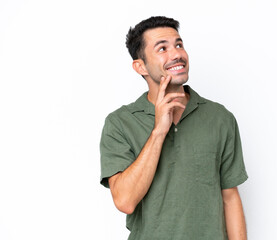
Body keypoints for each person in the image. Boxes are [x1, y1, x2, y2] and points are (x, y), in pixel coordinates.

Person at [100, 16, 248, 240]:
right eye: (162, 48)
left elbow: (230, 197)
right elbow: (125, 201)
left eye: (179, 45)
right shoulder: (120, 123)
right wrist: (159, 131)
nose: (177, 54)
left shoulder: (220, 118)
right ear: (140, 66)